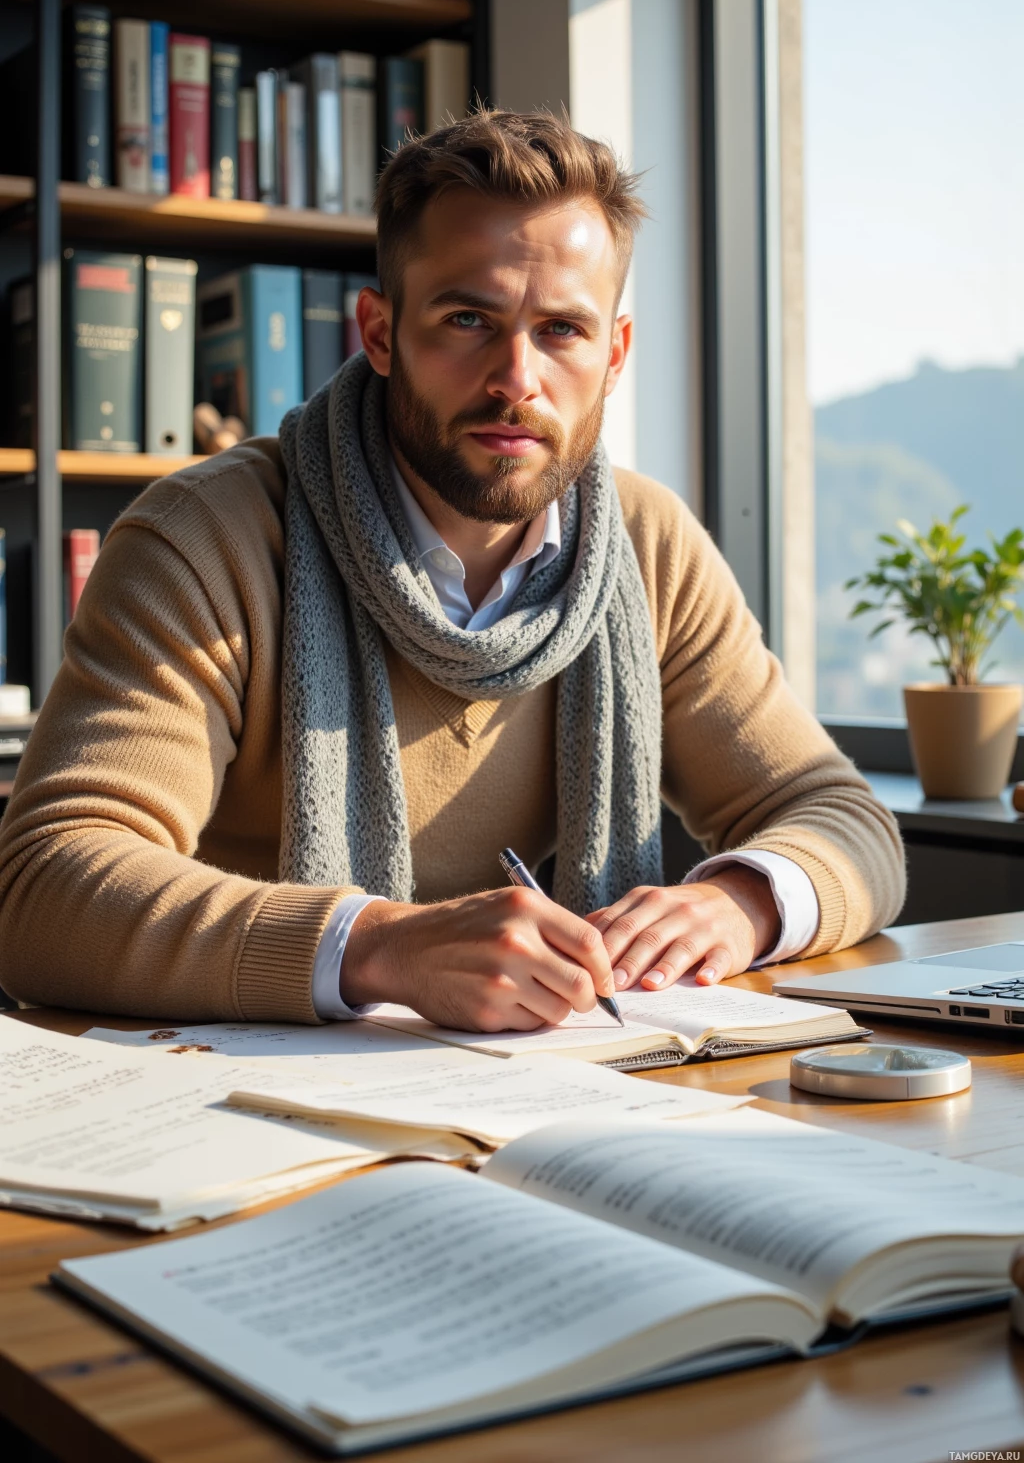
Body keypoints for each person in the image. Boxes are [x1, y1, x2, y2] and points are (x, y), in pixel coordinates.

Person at [0, 109, 904, 1029]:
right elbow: (47, 889)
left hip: (552, 1093)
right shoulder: (206, 539)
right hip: (236, 1115)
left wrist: (741, 903)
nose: (517, 377)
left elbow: (843, 819)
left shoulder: (648, 542)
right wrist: (378, 946)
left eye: (561, 330)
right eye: (468, 318)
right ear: (381, 334)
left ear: (615, 354)